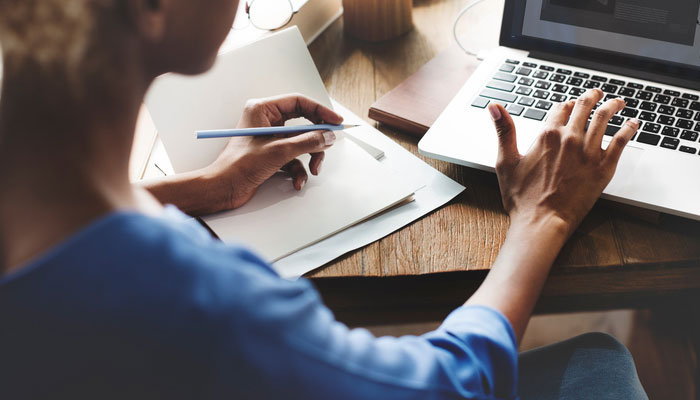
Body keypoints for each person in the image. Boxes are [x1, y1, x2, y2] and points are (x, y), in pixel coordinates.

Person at [0, 0, 647, 399]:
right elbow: (446, 388)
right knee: (600, 363)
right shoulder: (203, 308)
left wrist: (198, 189)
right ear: (151, 5)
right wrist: (542, 219)